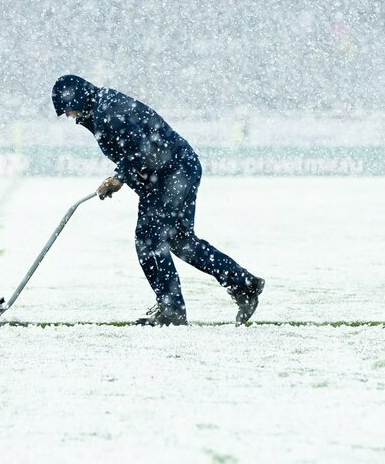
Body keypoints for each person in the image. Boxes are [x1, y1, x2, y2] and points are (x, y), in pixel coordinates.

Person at [52, 75, 265, 326]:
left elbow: (142, 147)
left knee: (149, 238)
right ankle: (243, 284)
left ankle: (172, 308)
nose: (69, 116)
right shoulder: (101, 108)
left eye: (68, 109)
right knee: (180, 240)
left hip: (172, 172)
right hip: (177, 169)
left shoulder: (107, 110)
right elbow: (135, 149)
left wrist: (119, 178)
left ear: (77, 98)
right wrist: (122, 177)